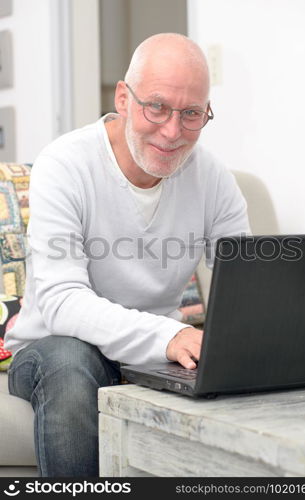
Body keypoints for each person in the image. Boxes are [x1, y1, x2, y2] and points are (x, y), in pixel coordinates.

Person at [4, 33, 250, 476]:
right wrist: (168, 336)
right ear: (123, 97)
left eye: (191, 114)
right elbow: (62, 303)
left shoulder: (211, 177)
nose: (173, 132)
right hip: (52, 349)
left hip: (151, 358)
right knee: (71, 361)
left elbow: (248, 286)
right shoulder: (65, 165)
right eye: (156, 106)